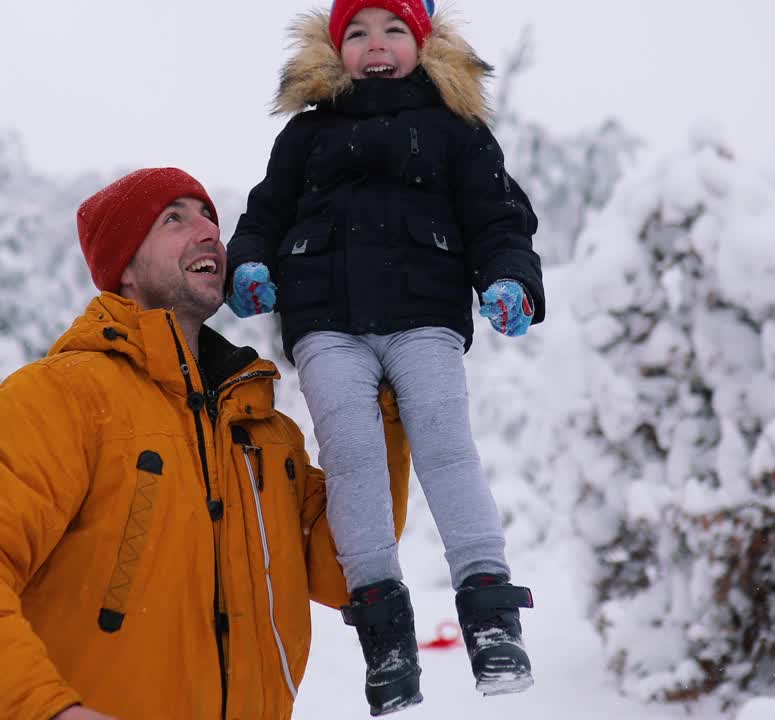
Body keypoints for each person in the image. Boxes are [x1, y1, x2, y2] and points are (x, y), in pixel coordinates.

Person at [0, 167, 411, 720]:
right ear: (123, 267)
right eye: (174, 218)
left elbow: (345, 570)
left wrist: (383, 398)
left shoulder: (266, 433)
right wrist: (42, 710)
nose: (208, 233)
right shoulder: (63, 397)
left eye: (209, 218)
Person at [225, 0, 545, 714]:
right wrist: (247, 267)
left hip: (422, 316)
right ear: (334, 49)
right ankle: (384, 632)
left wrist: (509, 280)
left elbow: (498, 220)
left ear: (423, 42)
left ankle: (492, 614)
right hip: (325, 323)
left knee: (445, 445)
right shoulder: (306, 135)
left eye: (393, 29)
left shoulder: (456, 132)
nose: (376, 45)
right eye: (358, 33)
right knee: (352, 457)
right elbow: (264, 216)